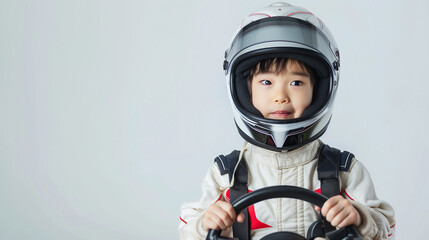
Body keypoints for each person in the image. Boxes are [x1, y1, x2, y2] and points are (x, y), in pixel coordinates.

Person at [179, 2, 395, 240]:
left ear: (320, 89)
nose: (280, 96)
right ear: (245, 89)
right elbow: (188, 230)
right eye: (266, 82)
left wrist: (360, 218)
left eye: (296, 83)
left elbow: (386, 228)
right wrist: (204, 224)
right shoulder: (225, 175)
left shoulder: (343, 171)